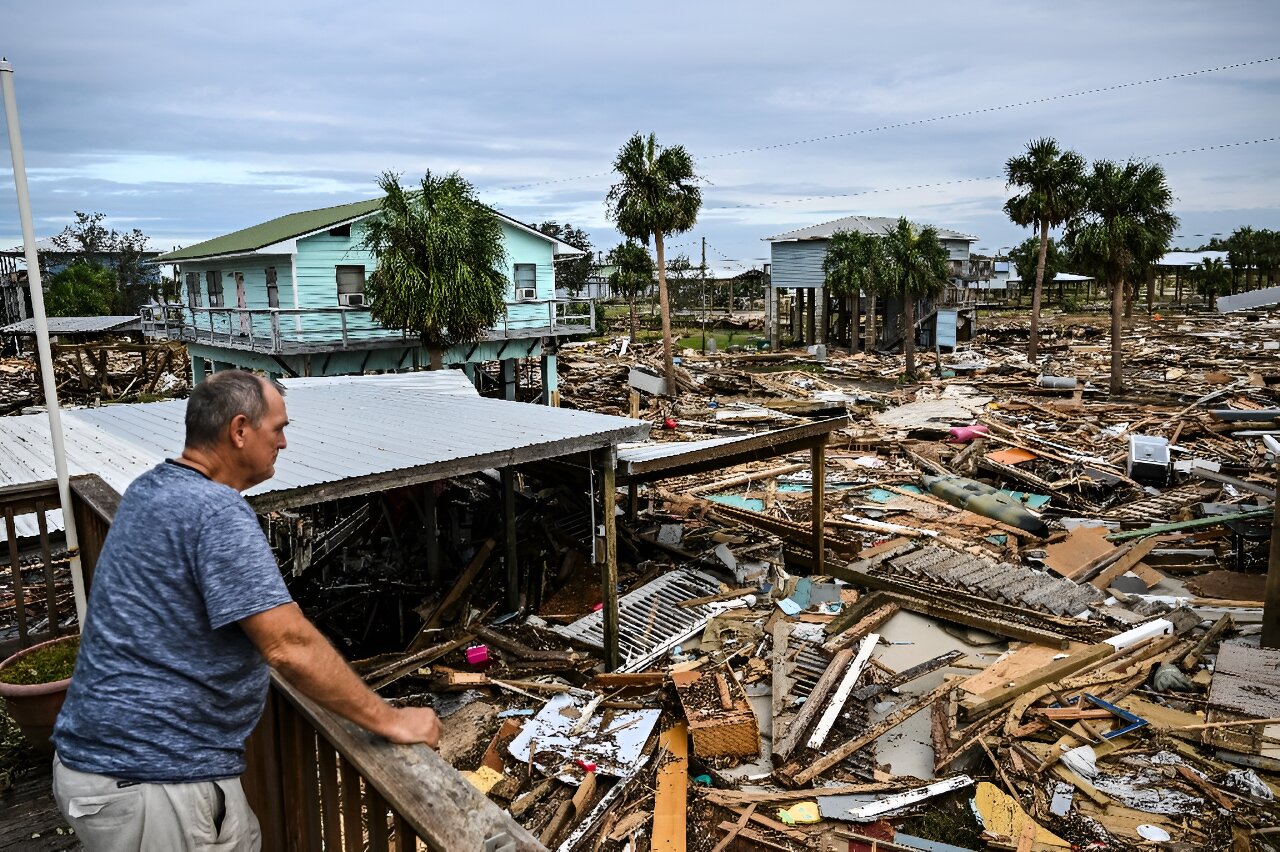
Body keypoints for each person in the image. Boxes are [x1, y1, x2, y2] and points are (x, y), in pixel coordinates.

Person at [51, 370, 440, 851]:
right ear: (239, 430)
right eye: (277, 428)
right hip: (152, 775)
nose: (283, 443)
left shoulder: (151, 489)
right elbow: (287, 643)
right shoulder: (215, 511)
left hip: (112, 765)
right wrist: (390, 720)